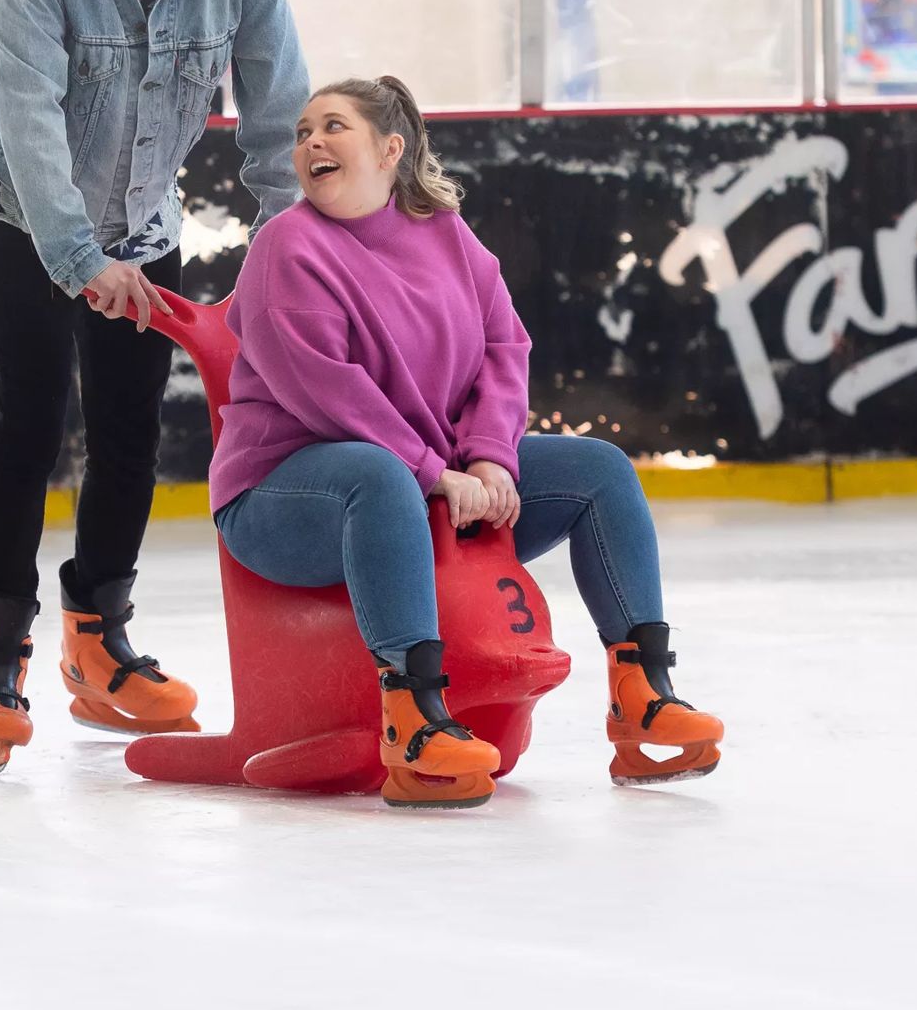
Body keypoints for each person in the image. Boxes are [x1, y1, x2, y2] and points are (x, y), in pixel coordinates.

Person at [208, 75, 723, 809]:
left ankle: (642, 698)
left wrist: (489, 455)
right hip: (285, 496)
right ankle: (415, 721)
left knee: (598, 471)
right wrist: (432, 473)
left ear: (391, 150)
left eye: (332, 127)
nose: (311, 143)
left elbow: (503, 348)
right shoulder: (285, 248)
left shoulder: (445, 234)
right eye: (301, 133)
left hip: (430, 476)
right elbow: (325, 389)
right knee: (376, 476)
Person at [0, 0, 308, 771]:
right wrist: (78, 262)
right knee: (27, 422)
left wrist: (294, 260)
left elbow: (279, 116)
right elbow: (27, 116)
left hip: (144, 216)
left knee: (129, 435)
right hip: (24, 213)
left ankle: (97, 643)